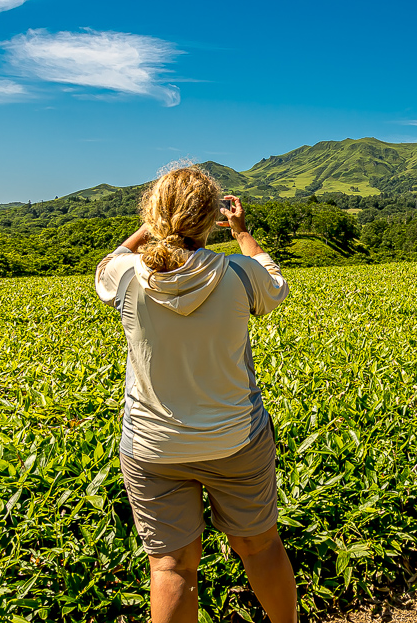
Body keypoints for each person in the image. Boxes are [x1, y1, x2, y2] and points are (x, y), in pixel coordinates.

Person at [95, 165, 297, 623]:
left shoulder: (125, 275)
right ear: (211, 218)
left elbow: (109, 262)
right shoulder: (241, 275)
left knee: (172, 566)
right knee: (259, 546)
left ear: (154, 214)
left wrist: (149, 229)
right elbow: (274, 280)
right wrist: (242, 233)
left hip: (152, 446)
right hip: (237, 439)